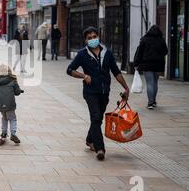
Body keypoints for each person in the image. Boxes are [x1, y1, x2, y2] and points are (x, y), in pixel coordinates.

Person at [67, 26, 130, 161]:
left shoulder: (107, 53)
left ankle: (90, 139)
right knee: (95, 117)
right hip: (90, 92)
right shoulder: (82, 54)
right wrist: (83, 76)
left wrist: (126, 87)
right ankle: (100, 148)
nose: (92, 39)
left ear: (98, 37)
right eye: (89, 38)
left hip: (104, 92)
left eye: (94, 37)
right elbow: (70, 70)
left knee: (98, 118)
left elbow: (116, 72)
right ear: (85, 40)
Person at [133, 25, 169, 110]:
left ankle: (150, 103)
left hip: (147, 64)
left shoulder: (144, 40)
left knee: (149, 83)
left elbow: (139, 52)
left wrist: (136, 63)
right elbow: (165, 51)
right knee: (155, 83)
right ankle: (154, 101)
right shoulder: (161, 40)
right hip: (158, 64)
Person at [0, 65, 24, 146]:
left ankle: (4, 133)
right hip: (10, 104)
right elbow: (17, 92)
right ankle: (13, 134)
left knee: (4, 118)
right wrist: (19, 91)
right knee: (12, 118)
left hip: (0, 103)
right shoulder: (13, 80)